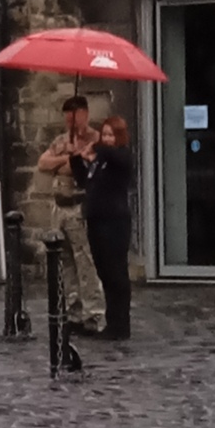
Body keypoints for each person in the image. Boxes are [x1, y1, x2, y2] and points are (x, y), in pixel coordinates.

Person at [36, 94, 107, 331]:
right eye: (67, 120)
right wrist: (66, 156)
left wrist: (65, 161)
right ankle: (73, 310)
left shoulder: (95, 140)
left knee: (85, 261)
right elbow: (43, 163)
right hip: (59, 207)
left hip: (79, 207)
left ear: (84, 114)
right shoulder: (62, 140)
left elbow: (76, 169)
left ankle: (94, 313)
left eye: (74, 118)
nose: (71, 124)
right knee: (65, 261)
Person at [72, 115, 134, 340]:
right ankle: (112, 321)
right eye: (104, 134)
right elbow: (84, 180)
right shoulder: (100, 161)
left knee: (117, 274)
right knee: (104, 273)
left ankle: (121, 325)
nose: (107, 139)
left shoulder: (122, 156)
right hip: (96, 221)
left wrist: (97, 146)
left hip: (115, 222)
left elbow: (113, 156)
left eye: (111, 135)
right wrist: (78, 158)